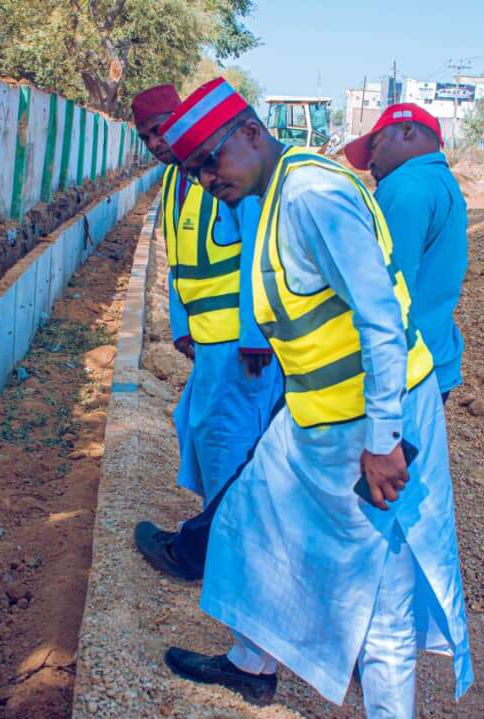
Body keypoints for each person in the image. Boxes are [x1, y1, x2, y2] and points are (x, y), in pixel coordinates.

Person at [157, 77, 473, 717]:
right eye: (191, 172)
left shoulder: (311, 195)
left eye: (208, 162)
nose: (202, 181)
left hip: (375, 422)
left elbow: (382, 323)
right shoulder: (279, 192)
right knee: (247, 518)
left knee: (384, 599)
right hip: (317, 419)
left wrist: (383, 442)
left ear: (250, 133)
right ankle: (251, 663)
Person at [130, 85, 283, 580]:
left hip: (241, 348)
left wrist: (255, 333)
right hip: (210, 341)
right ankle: (216, 540)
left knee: (228, 442)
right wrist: (180, 325)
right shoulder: (179, 182)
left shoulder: (228, 177)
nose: (157, 142)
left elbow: (259, 256)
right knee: (197, 429)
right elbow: (180, 262)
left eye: (161, 129)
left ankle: (222, 556)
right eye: (148, 135)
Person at [344, 104, 467, 401]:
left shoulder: (404, 185)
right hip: (436, 359)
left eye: (375, 146)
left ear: (407, 130)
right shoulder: (446, 185)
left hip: (404, 371)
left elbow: (385, 290)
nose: (370, 164)